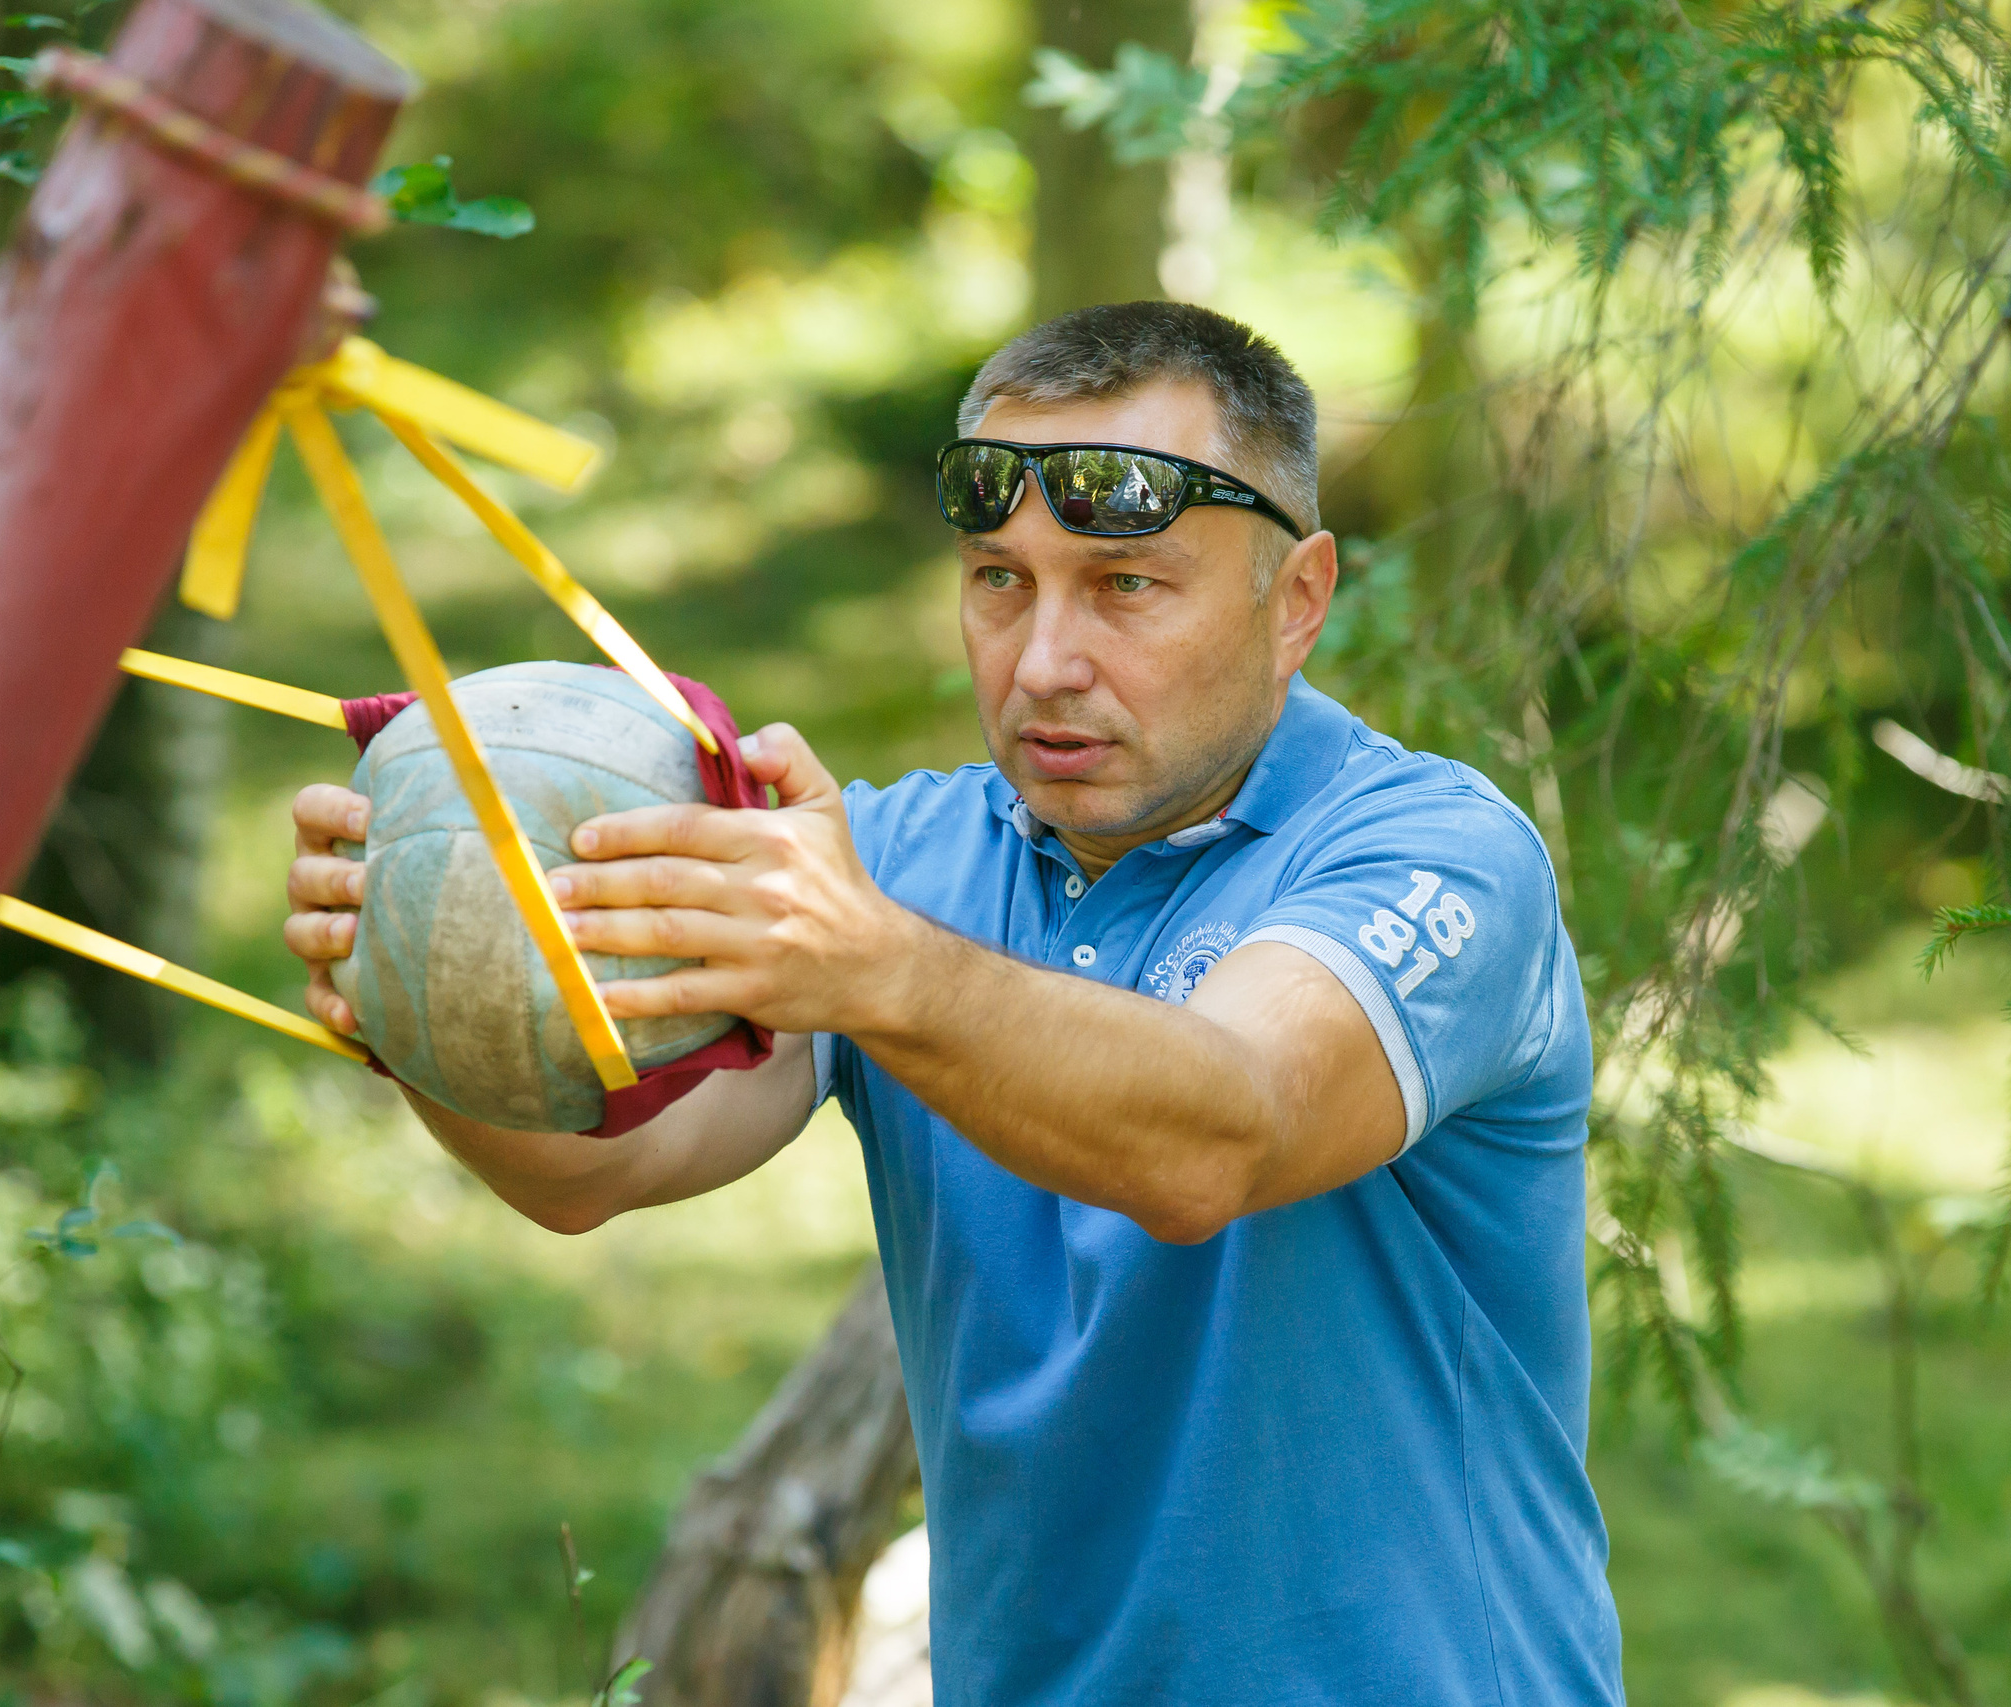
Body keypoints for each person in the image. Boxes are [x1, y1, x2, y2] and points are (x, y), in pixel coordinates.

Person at [281, 302, 1624, 1705]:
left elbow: (1226, 1128)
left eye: (1126, 587)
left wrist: (876, 960)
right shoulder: (906, 862)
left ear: (1298, 602)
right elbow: (597, 1166)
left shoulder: (1432, 855)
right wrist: (422, 981)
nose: (1044, 660)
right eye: (1000, 580)